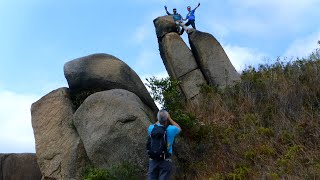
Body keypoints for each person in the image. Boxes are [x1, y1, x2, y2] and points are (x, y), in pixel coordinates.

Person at [147, 110, 182, 180]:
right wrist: (169, 118)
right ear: (167, 119)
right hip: (165, 160)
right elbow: (179, 128)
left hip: (153, 160)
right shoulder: (171, 129)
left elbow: (156, 125)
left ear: (158, 118)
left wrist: (159, 118)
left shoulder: (151, 128)